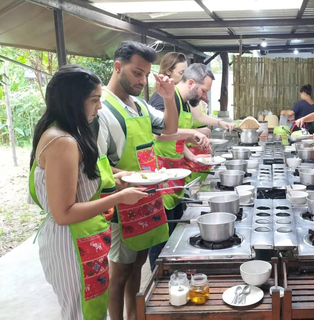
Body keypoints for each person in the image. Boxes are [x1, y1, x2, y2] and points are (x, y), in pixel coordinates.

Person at [29, 65, 148, 320]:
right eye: (94, 100)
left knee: (90, 312)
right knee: (79, 314)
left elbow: (81, 183)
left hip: (82, 239)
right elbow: (63, 213)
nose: (100, 107)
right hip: (69, 244)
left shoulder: (67, 133)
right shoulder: (62, 142)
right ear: (73, 100)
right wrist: (119, 197)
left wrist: (117, 180)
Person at [96, 41, 178, 320]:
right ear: (118, 67)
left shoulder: (140, 105)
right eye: (136, 73)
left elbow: (169, 128)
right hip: (121, 201)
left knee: (138, 263)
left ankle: (133, 315)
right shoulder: (101, 109)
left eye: (145, 75)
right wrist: (127, 177)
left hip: (148, 196)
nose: (142, 81)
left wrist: (168, 98)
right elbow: (97, 165)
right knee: (119, 270)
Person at [147, 63, 233, 271]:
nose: (204, 97)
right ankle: (158, 276)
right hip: (161, 173)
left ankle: (175, 270)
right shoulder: (164, 98)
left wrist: (192, 155)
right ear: (192, 83)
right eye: (204, 91)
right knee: (161, 232)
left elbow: (177, 139)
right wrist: (190, 134)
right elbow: (158, 134)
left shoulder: (185, 102)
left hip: (176, 173)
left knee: (175, 226)